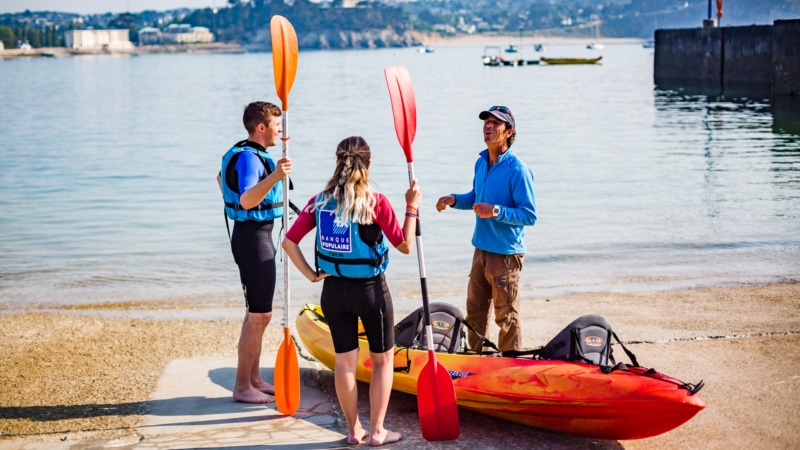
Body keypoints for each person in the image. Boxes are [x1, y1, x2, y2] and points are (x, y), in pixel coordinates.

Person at [282, 136, 419, 446]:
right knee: (382, 361)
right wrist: (412, 206)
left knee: (345, 363)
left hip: (332, 291)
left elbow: (289, 242)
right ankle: (379, 432)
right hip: (371, 292)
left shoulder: (319, 201)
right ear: (368, 165)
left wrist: (311, 275)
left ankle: (354, 431)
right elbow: (405, 245)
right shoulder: (376, 202)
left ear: (337, 162)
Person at [435, 105, 536, 352]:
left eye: (495, 123)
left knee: (506, 317)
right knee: (475, 312)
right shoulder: (481, 162)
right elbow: (476, 197)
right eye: (486, 122)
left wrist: (496, 211)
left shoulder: (518, 169)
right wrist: (455, 199)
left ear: (509, 131)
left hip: (505, 255)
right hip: (480, 249)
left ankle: (511, 364)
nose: (488, 126)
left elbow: (529, 215)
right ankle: (477, 359)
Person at [218, 101, 292, 404]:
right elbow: (248, 200)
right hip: (252, 239)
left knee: (256, 314)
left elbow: (222, 182)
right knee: (260, 315)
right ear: (260, 128)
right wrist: (275, 177)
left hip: (254, 237)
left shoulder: (246, 155)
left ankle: (254, 379)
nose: (281, 131)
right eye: (277, 125)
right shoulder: (249, 159)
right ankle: (242, 387)